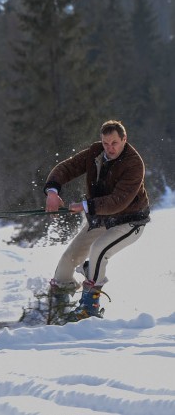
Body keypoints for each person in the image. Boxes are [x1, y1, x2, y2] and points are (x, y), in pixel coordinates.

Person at [45, 120, 150, 321]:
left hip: (130, 221)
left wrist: (85, 206)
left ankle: (89, 307)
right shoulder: (95, 152)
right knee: (69, 258)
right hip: (102, 218)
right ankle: (57, 302)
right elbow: (69, 167)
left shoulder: (134, 164)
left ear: (124, 140)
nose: (109, 148)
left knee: (98, 250)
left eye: (114, 143)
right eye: (105, 143)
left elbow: (118, 201)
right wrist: (52, 191)